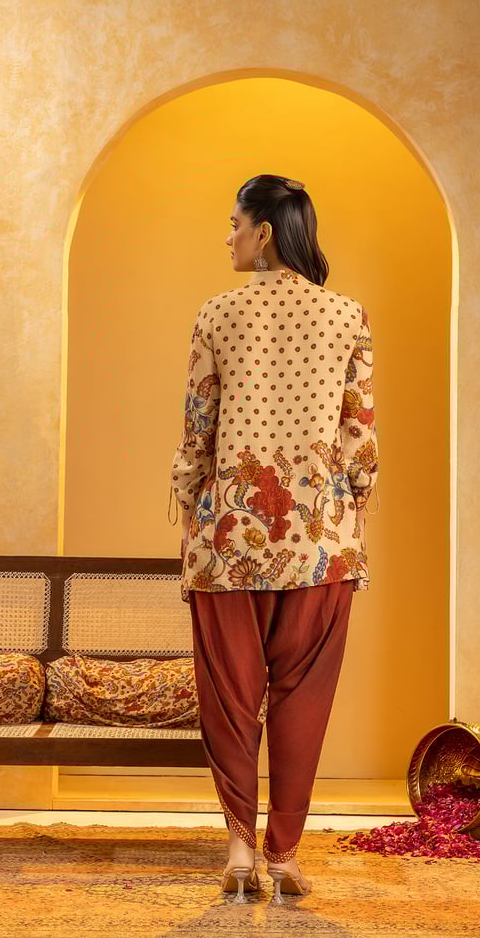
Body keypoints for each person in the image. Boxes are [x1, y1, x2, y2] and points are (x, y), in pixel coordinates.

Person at [168, 174, 379, 904]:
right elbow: (359, 438)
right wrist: (352, 511)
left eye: (234, 223)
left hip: (229, 537)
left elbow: (197, 429)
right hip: (320, 539)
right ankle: (283, 857)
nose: (226, 236)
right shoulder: (347, 315)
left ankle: (239, 853)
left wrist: (188, 503)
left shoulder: (217, 313)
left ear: (263, 232)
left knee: (230, 696)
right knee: (303, 696)